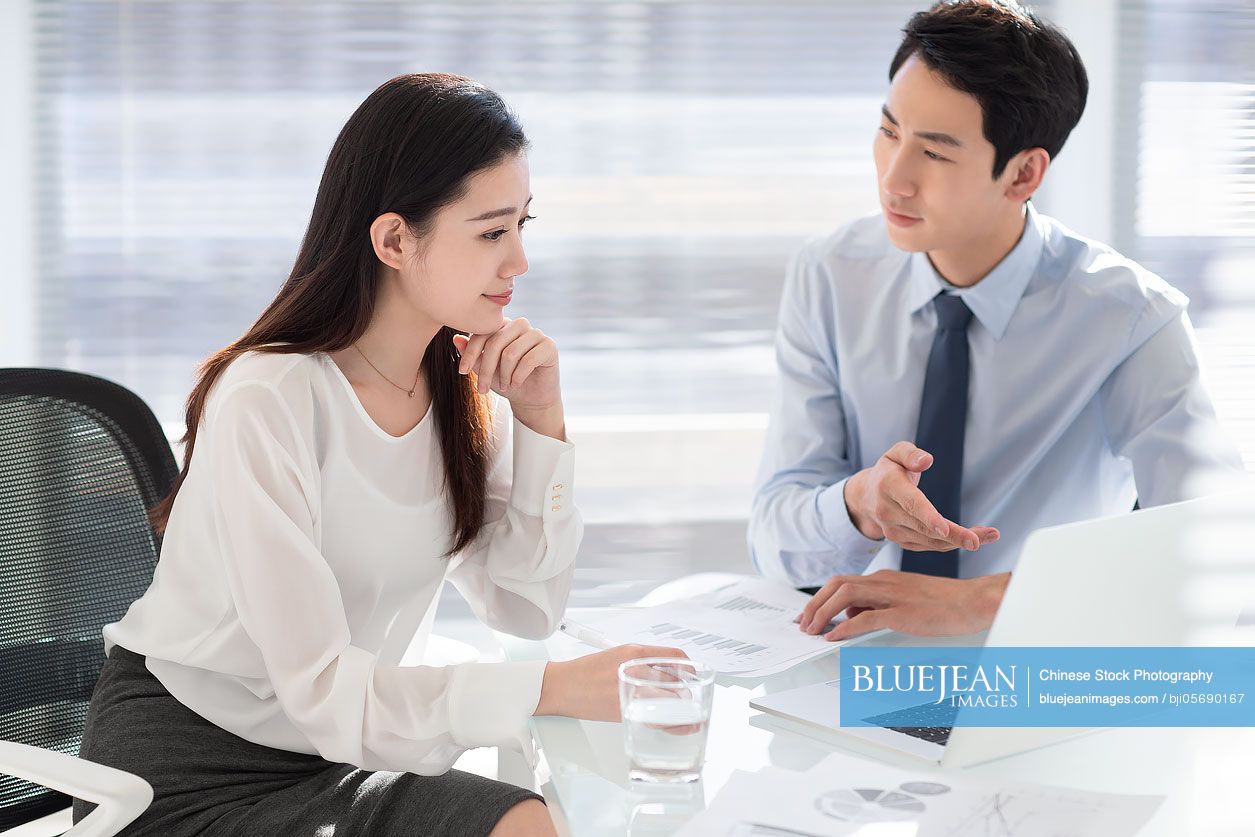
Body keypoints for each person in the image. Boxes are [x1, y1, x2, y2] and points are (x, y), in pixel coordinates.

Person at [73, 73, 682, 837]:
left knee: (526, 820)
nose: (519, 260)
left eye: (523, 225)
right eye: (492, 231)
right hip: (184, 773)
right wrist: (549, 689)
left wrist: (541, 425)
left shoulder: (454, 390)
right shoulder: (270, 396)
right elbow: (324, 690)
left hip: (339, 747)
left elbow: (525, 604)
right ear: (395, 239)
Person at [747, 0, 1245, 642]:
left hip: (1038, 670)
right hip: (845, 660)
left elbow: (1219, 563)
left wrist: (986, 603)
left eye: (936, 153)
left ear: (1023, 173)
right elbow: (773, 540)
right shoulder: (832, 275)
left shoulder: (1129, 318)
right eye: (890, 132)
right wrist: (858, 505)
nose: (894, 181)